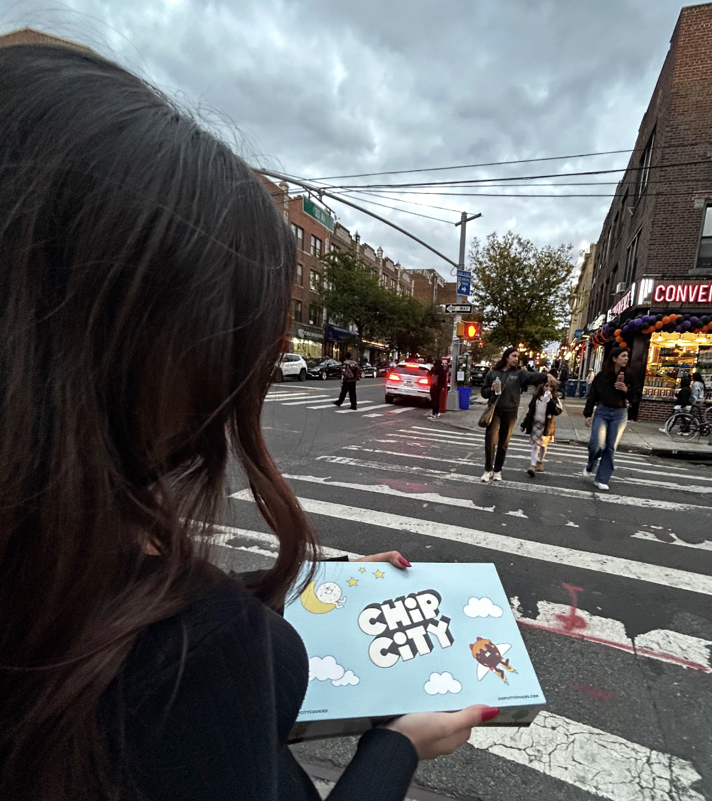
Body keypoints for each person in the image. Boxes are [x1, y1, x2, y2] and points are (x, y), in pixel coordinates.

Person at [0, 45, 494, 801]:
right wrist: (396, 747)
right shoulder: (194, 661)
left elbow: (92, 601)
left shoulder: (50, 560)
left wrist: (306, 591)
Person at [480, 347, 545, 482]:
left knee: (504, 442)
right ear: (506, 357)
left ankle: (497, 470)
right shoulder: (493, 373)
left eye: (517, 357)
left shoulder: (518, 374)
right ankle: (488, 469)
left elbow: (532, 377)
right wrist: (491, 389)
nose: (516, 359)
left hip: (510, 412)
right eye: (513, 356)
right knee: (490, 440)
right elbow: (484, 393)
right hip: (495, 410)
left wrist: (546, 376)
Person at [582, 347, 639, 491]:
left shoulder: (630, 376)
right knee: (596, 443)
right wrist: (588, 414)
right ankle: (591, 464)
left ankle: (602, 478)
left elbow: (636, 397)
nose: (626, 359)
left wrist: (626, 390)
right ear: (614, 358)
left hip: (620, 413)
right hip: (602, 411)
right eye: (623, 356)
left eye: (627, 356)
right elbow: (592, 395)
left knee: (610, 446)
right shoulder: (602, 376)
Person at [521, 376, 562, 477]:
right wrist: (524, 424)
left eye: (550, 387)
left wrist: (550, 401)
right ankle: (532, 465)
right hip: (536, 424)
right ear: (542, 387)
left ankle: (540, 461)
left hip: (546, 426)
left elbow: (557, 411)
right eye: (546, 386)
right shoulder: (536, 398)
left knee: (543, 445)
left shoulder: (554, 400)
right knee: (536, 446)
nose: (548, 388)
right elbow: (530, 412)